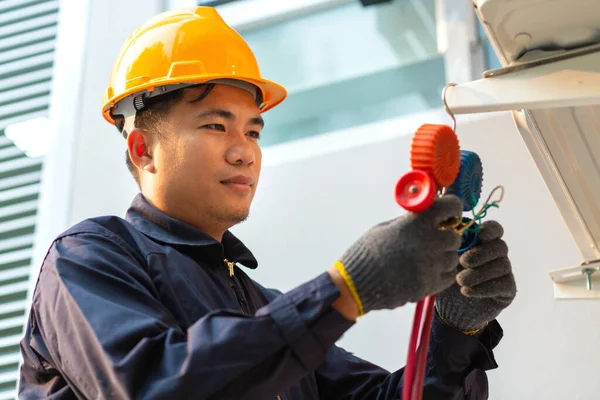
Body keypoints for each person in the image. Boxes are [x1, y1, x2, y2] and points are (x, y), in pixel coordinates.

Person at [18, 6, 517, 400]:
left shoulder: (262, 308)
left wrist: (456, 326)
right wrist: (350, 286)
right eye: (216, 126)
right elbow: (155, 386)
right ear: (142, 148)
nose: (244, 151)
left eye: (253, 130)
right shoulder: (87, 259)